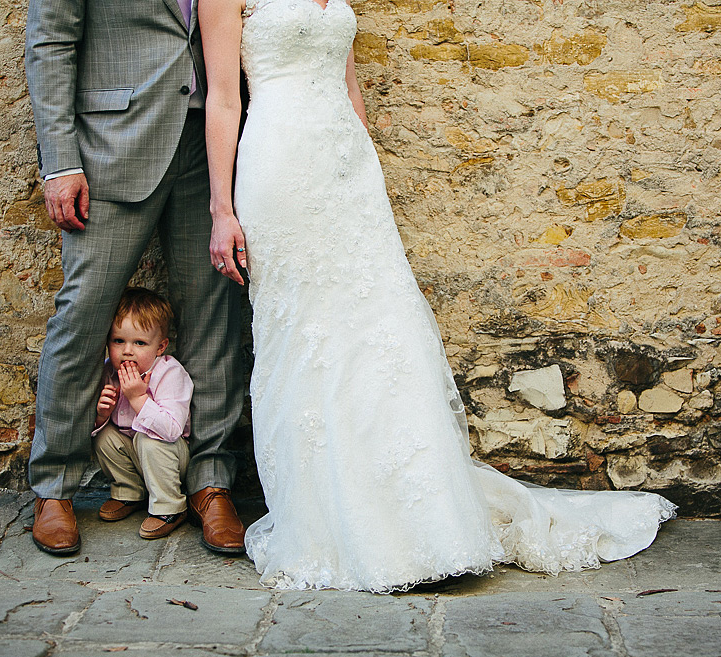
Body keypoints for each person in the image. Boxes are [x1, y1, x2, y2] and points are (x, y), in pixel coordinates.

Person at [200, 0, 676, 592]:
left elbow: (349, 90)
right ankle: (335, 520)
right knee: (305, 335)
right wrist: (223, 209)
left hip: (347, 175)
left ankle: (419, 511)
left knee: (381, 329)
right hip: (279, 168)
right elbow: (224, 99)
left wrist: (362, 176)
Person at [24, 0, 249, 556]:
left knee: (214, 313)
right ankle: (53, 488)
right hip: (111, 146)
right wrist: (60, 163)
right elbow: (50, 42)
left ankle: (211, 481)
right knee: (83, 313)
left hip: (209, 142)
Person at [92, 288, 192, 540]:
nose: (127, 351)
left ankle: (169, 506)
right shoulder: (109, 372)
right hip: (135, 455)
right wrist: (102, 416)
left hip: (169, 458)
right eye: (118, 341)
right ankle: (129, 491)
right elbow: (101, 426)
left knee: (148, 439)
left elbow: (171, 430)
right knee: (104, 436)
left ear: (160, 347)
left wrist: (138, 398)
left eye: (139, 343)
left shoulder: (169, 373)